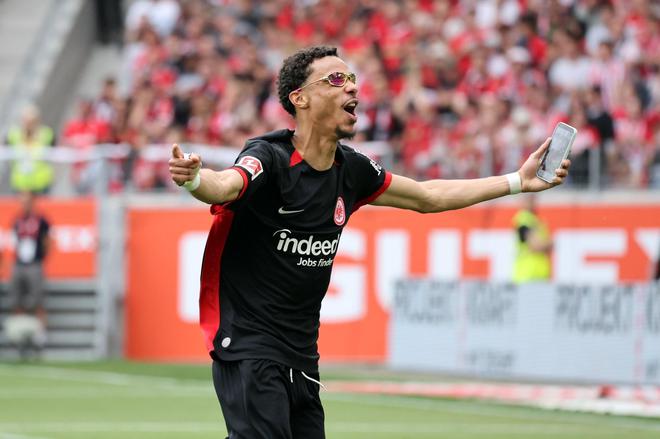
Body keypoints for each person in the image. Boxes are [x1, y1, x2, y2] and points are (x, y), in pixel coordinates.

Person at [168, 46, 571, 438]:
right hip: (249, 344)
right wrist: (196, 179)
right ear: (300, 98)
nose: (352, 87)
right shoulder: (269, 157)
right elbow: (226, 185)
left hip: (302, 355)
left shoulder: (353, 169)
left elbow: (427, 196)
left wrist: (516, 181)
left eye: (352, 78)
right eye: (336, 79)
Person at [6, 191, 51, 359]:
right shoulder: (17, 220)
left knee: (38, 301)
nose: (24, 204)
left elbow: (47, 242)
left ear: (33, 202)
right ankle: (19, 338)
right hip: (20, 264)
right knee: (17, 301)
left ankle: (40, 338)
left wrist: (41, 258)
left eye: (27, 201)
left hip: (34, 264)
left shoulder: (41, 220)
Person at [5, 105, 56, 194]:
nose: (28, 124)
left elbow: (57, 153)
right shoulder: (13, 134)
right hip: (20, 183)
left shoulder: (46, 134)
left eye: (32, 121)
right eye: (26, 120)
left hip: (41, 183)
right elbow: (5, 151)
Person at [512, 194, 553, 284]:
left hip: (536, 275)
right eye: (528, 198)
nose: (532, 201)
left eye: (533, 198)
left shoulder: (534, 219)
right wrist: (548, 243)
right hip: (528, 274)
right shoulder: (524, 218)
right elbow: (536, 246)